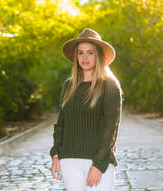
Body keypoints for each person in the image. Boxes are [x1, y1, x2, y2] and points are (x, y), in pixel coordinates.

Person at [50, 28, 123, 191]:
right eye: (80, 53)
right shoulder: (69, 86)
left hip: (98, 162)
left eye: (90, 52)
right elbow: (61, 124)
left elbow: (110, 129)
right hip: (69, 160)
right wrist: (56, 155)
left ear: (99, 55)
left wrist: (98, 165)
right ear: (76, 56)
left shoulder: (110, 86)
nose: (85, 57)